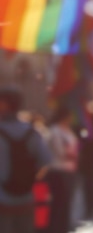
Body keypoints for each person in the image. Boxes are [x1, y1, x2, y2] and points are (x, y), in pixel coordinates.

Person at [0, 88, 51, 233]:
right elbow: (45, 161)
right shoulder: (32, 132)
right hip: (26, 198)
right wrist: (27, 180)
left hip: (2, 201)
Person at [45, 103, 80, 233]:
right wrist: (71, 154)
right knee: (59, 203)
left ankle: (64, 227)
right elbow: (59, 151)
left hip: (70, 170)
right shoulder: (55, 131)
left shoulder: (68, 130)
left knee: (67, 202)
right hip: (58, 170)